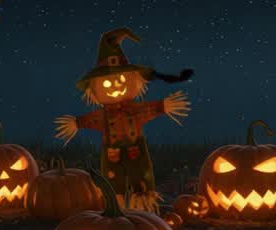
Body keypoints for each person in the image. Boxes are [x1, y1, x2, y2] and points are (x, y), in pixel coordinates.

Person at [55, 27, 193, 206]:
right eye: (105, 82)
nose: (114, 86)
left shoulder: (135, 110)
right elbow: (90, 119)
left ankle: (142, 202)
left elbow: (151, 109)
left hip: (137, 148)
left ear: (134, 80)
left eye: (120, 79)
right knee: (113, 177)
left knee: (141, 175)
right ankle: (116, 203)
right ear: (93, 89)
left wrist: (163, 106)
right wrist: (76, 123)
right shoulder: (102, 115)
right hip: (111, 151)